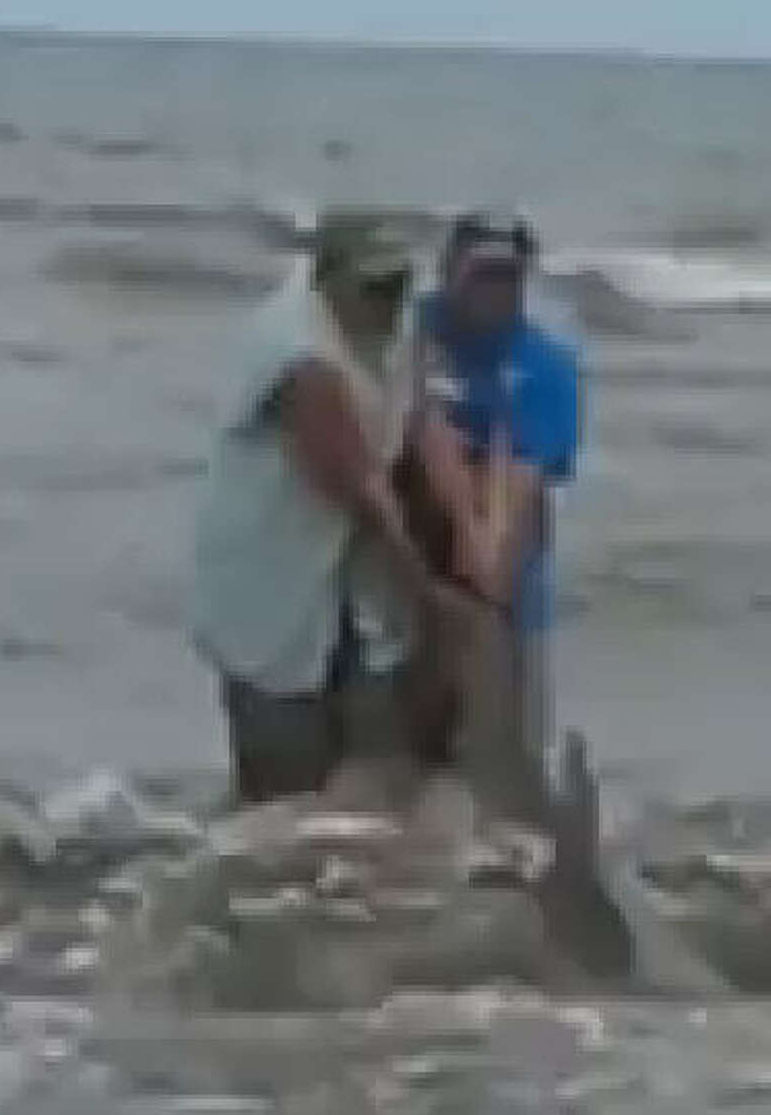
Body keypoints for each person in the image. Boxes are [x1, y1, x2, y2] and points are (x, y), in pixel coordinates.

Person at [191, 213, 466, 803]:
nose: (387, 302)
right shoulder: (302, 357)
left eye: (397, 285)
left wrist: (467, 528)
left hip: (350, 586)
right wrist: (427, 601)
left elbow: (419, 423)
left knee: (371, 771)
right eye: (372, 289)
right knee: (285, 776)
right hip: (274, 583)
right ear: (326, 280)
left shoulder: (399, 327)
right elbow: (356, 487)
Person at [399, 214, 581, 783]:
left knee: (506, 769)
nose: (495, 291)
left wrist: (486, 566)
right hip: (405, 590)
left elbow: (525, 486)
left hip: (504, 595)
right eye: (481, 275)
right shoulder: (410, 336)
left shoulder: (546, 368)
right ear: (449, 270)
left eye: (508, 278)